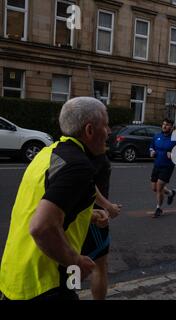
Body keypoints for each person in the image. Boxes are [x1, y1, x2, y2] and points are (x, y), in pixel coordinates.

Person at [0, 97, 110, 300]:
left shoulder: (47, 153)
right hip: (46, 283)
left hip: (15, 275)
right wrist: (75, 261)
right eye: (106, 125)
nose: (109, 132)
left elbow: (40, 204)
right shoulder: (78, 165)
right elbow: (41, 227)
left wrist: (91, 215)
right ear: (89, 130)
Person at [81, 154, 122, 300]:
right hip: (92, 220)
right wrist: (106, 209)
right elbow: (86, 184)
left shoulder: (58, 151)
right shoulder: (90, 157)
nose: (109, 131)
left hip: (79, 218)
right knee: (98, 265)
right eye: (104, 129)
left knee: (73, 264)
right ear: (89, 130)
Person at [149, 118, 176, 218]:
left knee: (159, 187)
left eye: (167, 125)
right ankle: (170, 193)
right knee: (154, 188)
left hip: (168, 166)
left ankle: (158, 208)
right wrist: (151, 152)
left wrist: (174, 154)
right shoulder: (157, 136)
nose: (164, 126)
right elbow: (151, 147)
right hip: (157, 165)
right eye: (163, 124)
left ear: (171, 127)